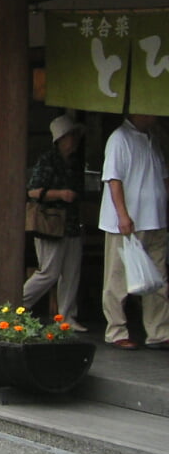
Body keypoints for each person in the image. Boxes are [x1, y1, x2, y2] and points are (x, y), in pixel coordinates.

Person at [98, 113, 169, 350]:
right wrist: (123, 215)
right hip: (129, 221)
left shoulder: (152, 139)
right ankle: (116, 330)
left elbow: (163, 177)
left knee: (158, 279)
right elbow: (113, 179)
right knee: (117, 278)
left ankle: (158, 331)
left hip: (154, 220)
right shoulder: (119, 138)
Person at [23, 116, 88, 330]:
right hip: (50, 224)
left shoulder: (76, 162)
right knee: (49, 272)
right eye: (70, 136)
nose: (74, 141)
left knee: (71, 272)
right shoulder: (47, 160)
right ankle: (18, 305)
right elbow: (32, 191)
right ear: (60, 139)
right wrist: (60, 194)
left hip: (71, 224)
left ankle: (67, 316)